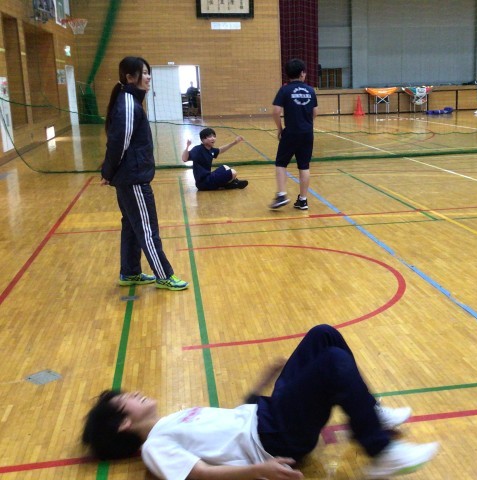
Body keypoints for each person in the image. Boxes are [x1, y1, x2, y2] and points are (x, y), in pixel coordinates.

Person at [82, 324, 440, 479]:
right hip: (274, 437)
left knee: (323, 335)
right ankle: (380, 453)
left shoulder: (174, 419)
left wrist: (264, 380)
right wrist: (259, 471)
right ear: (124, 423)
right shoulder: (154, 446)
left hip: (267, 413)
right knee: (333, 362)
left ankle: (370, 415)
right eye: (126, 399)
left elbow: (233, 419)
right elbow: (200, 474)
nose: (134, 392)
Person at [101, 56, 188, 291]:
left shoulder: (130, 101)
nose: (148, 77)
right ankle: (164, 275)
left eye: (149, 72)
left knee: (131, 225)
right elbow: (118, 143)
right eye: (144, 73)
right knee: (147, 229)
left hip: (130, 177)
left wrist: (110, 172)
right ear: (130, 78)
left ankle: (130, 272)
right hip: (133, 179)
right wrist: (107, 171)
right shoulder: (128, 104)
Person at [270, 58, 318, 210]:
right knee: (304, 166)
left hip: (291, 132)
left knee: (281, 163)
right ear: (302, 73)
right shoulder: (311, 90)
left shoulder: (284, 90)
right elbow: (315, 112)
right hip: (307, 133)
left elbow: (276, 111)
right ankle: (303, 200)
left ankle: (282, 194)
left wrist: (280, 128)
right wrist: (307, 123)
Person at [182, 128, 249, 191]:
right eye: (210, 137)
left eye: (214, 136)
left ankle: (232, 183)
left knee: (225, 167)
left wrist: (234, 142)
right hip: (203, 183)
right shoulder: (198, 149)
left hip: (209, 177)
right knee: (233, 172)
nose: (213, 138)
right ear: (203, 139)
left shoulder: (211, 150)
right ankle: (231, 184)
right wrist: (187, 147)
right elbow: (184, 159)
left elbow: (220, 150)